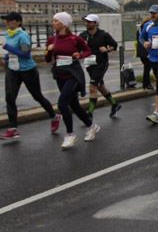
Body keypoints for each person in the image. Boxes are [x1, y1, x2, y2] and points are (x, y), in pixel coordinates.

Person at [2, 12, 60, 140]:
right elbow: (12, 53)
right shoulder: (8, 34)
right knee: (10, 98)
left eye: (10, 20)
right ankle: (13, 129)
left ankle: (54, 116)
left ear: (18, 22)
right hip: (13, 70)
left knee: (37, 96)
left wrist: (8, 48)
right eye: (6, 20)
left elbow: (26, 54)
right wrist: (6, 57)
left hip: (28, 70)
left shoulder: (23, 35)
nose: (7, 23)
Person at [46, 12, 99, 149]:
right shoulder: (52, 39)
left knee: (62, 104)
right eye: (53, 20)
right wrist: (48, 51)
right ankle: (91, 126)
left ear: (63, 23)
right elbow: (47, 60)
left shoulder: (75, 39)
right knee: (74, 105)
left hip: (73, 76)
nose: (53, 23)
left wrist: (79, 55)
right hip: (59, 75)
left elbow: (88, 51)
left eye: (56, 21)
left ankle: (70, 135)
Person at [78, 14, 122, 118]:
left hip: (101, 64)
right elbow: (77, 48)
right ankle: (115, 104)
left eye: (90, 22)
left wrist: (107, 49)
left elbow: (114, 45)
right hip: (89, 64)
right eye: (87, 21)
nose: (87, 23)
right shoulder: (83, 35)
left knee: (93, 87)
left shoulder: (103, 34)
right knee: (100, 86)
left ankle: (89, 113)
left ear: (96, 23)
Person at [136, 15, 154, 90]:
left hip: (140, 50)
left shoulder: (139, 29)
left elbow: (138, 39)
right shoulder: (148, 29)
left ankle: (145, 84)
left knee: (146, 67)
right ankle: (147, 84)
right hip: (146, 50)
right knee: (147, 68)